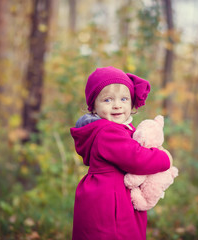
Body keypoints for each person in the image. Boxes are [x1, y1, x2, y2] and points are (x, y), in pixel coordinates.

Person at [70, 66, 172, 240]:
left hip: (112, 196)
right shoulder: (107, 132)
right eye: (108, 100)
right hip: (110, 202)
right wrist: (163, 157)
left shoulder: (118, 129)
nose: (117, 105)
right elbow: (137, 159)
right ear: (93, 106)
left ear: (131, 103)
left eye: (124, 99)